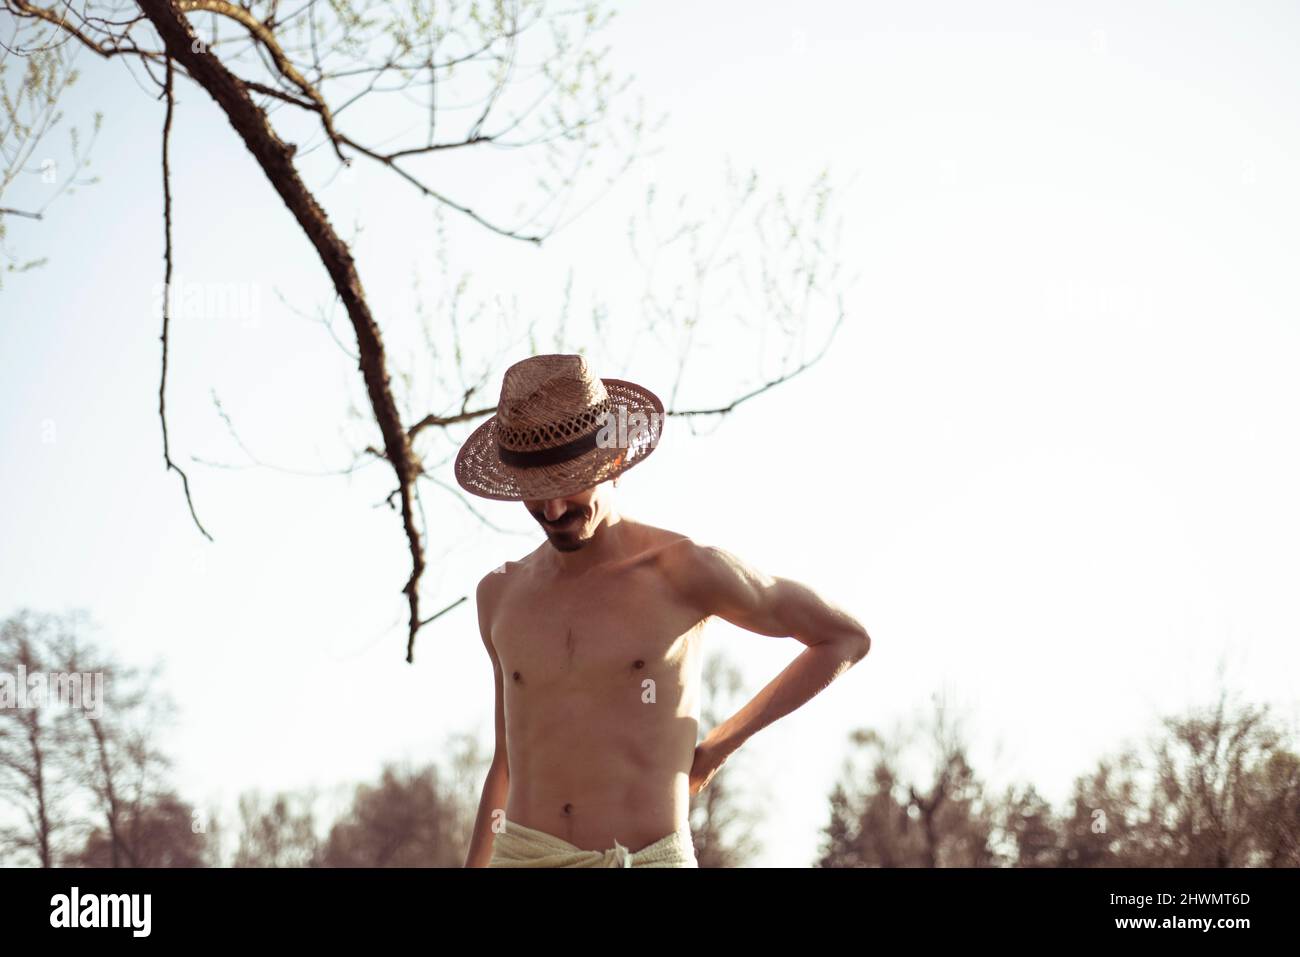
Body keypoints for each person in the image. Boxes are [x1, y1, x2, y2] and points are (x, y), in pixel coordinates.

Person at [455, 353, 871, 867]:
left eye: (568, 486)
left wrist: (718, 747)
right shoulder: (500, 594)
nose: (553, 511)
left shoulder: (684, 570)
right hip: (522, 855)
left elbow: (843, 638)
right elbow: (506, 764)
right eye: (536, 493)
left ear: (612, 458)